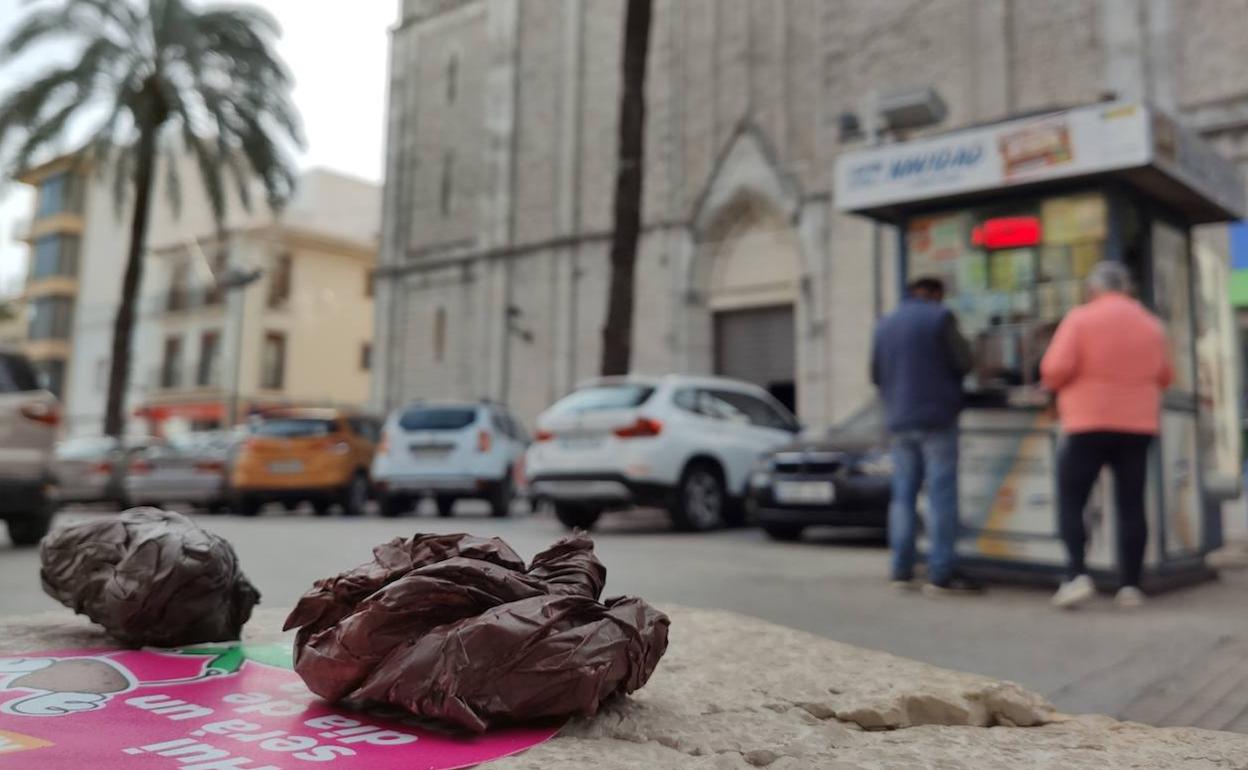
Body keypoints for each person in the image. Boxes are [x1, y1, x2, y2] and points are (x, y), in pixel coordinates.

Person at [1040, 261, 1172, 610]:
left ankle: (1077, 574)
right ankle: (1130, 585)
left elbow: (1053, 370)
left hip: (1087, 422)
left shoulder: (1080, 319)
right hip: (1137, 425)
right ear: (1127, 287)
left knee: (1072, 499)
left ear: (1094, 288)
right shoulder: (1152, 325)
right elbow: (1165, 375)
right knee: (1131, 503)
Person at [871, 276, 978, 596]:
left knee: (902, 497)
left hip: (899, 420)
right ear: (934, 294)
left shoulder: (885, 323)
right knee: (940, 496)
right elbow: (965, 361)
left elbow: (875, 374)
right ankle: (941, 573)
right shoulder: (939, 317)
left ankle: (901, 570)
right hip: (937, 418)